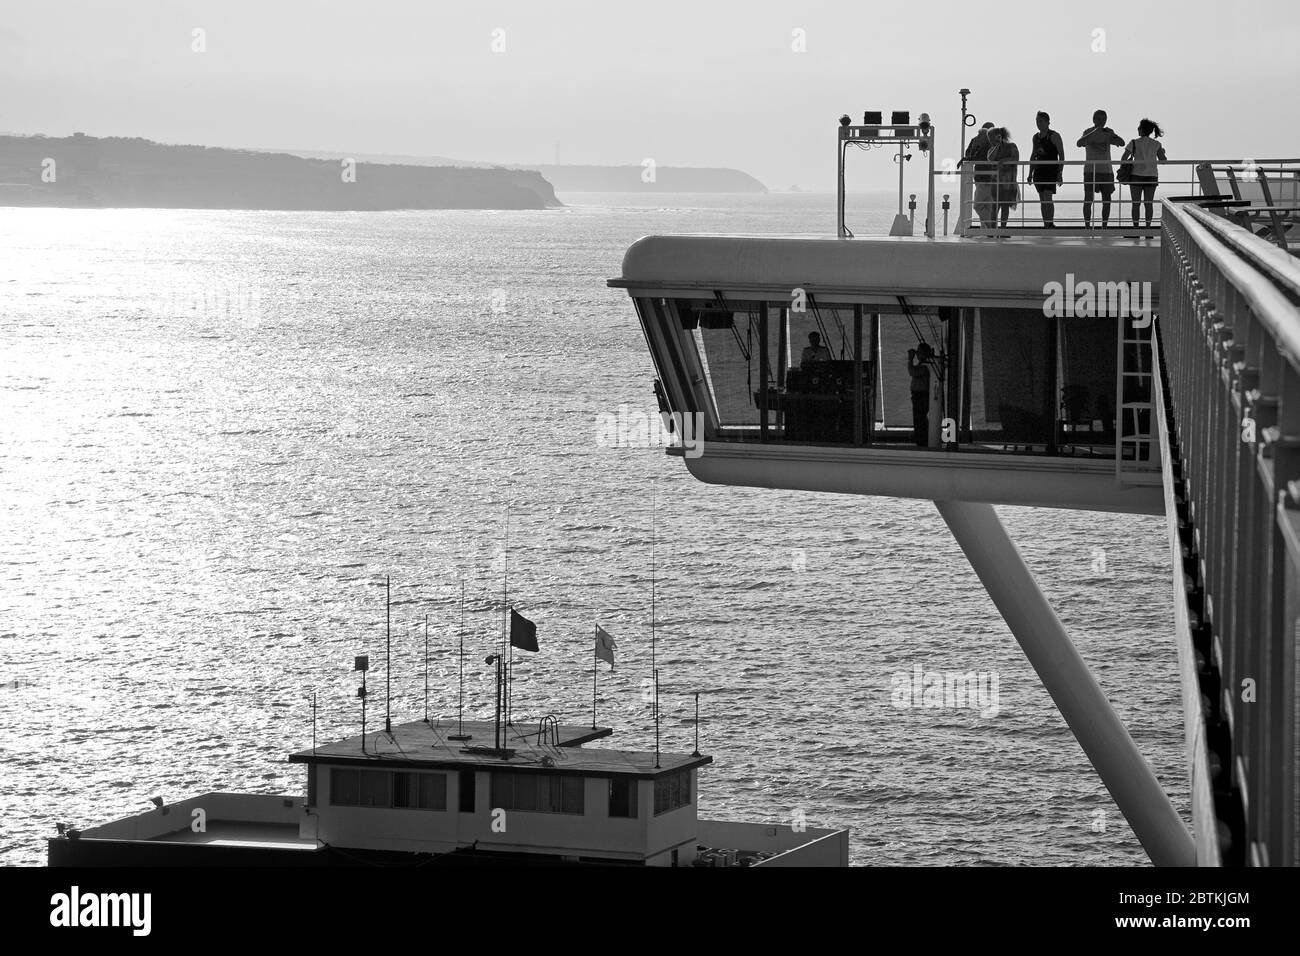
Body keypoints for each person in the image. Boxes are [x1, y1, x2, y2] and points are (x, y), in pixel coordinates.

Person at [1077, 109, 1126, 228]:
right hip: (1090, 170)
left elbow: (1122, 142)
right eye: (1099, 119)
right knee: (1088, 199)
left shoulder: (1108, 132)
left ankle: (1104, 226)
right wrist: (1093, 132)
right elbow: (1079, 143)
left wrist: (1112, 134)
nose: (1101, 121)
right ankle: (1087, 227)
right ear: (1093, 119)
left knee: (1107, 200)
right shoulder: (1088, 131)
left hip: (1106, 171)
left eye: (1104, 119)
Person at [1122, 118, 1167, 229]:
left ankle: (1136, 229)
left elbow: (1123, 158)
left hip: (1136, 176)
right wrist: (1163, 151)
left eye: (1139, 127)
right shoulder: (1156, 144)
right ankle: (1147, 229)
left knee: (1136, 204)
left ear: (1141, 129)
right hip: (1151, 177)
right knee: (1148, 204)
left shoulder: (1134, 142)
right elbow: (1163, 161)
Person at [1028, 111, 1065, 227]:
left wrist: (1060, 173)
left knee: (1048, 198)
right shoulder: (1036, 137)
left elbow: (1062, 155)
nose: (1039, 123)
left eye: (1041, 121)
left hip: (1050, 171)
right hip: (1038, 172)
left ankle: (1050, 222)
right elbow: (1033, 155)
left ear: (1048, 122)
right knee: (1042, 200)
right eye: (1037, 121)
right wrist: (1030, 173)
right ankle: (1046, 223)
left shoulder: (1054, 136)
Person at [963, 122, 996, 230]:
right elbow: (968, 154)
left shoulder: (993, 142)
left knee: (981, 205)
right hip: (985, 177)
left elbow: (969, 155)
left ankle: (988, 227)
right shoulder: (979, 141)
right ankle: (988, 229)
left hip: (986, 178)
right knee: (987, 206)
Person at [986, 127, 1020, 229]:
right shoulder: (992, 149)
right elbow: (990, 158)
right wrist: (997, 146)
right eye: (990, 139)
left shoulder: (1011, 146)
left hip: (1008, 182)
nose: (990, 141)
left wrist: (1004, 160)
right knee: (995, 206)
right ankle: (993, 230)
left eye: (992, 138)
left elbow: (1016, 158)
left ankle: (1003, 229)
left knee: (1005, 206)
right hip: (996, 182)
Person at [907, 343, 932, 446]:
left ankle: (922, 439)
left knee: (919, 418)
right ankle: (922, 438)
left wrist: (910, 359)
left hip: (920, 396)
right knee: (920, 418)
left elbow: (912, 371)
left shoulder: (924, 367)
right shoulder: (924, 366)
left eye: (919, 352)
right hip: (919, 395)